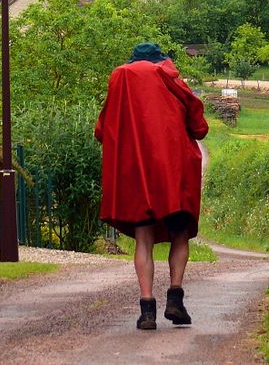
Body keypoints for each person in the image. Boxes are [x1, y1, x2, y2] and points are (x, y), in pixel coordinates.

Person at [95, 42, 209, 330]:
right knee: (179, 234)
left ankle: (147, 310)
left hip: (138, 176)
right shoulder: (170, 79)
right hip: (174, 173)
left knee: (143, 239)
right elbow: (200, 127)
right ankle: (175, 299)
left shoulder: (120, 81)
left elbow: (102, 130)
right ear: (160, 60)